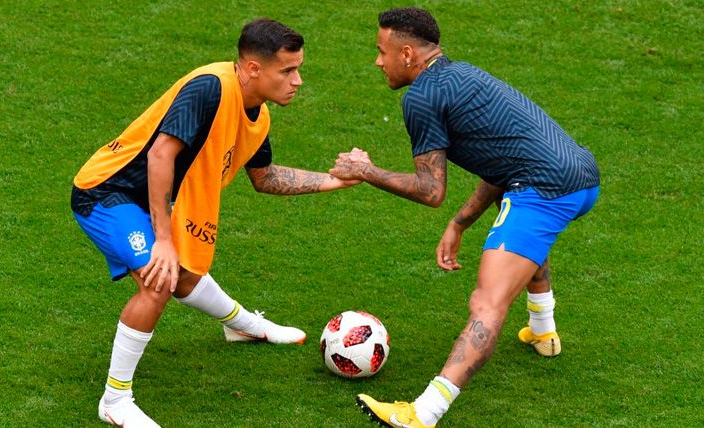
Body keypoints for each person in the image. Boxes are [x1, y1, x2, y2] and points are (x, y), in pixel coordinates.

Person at [71, 19, 357, 427]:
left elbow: (266, 178)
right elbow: (159, 156)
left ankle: (244, 326)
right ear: (254, 69)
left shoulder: (256, 114)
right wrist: (164, 239)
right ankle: (115, 401)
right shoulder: (209, 88)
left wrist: (336, 181)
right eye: (288, 71)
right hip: (108, 193)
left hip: (152, 194)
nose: (298, 81)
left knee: (184, 275)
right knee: (160, 277)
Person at [329, 7, 600, 428]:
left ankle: (422, 414)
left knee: (486, 303)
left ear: (406, 54)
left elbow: (429, 189)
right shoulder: (466, 75)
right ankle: (542, 329)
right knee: (522, 232)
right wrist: (460, 224)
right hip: (583, 177)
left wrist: (364, 170)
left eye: (382, 52)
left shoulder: (420, 98)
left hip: (546, 190)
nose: (378, 62)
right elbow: (502, 163)